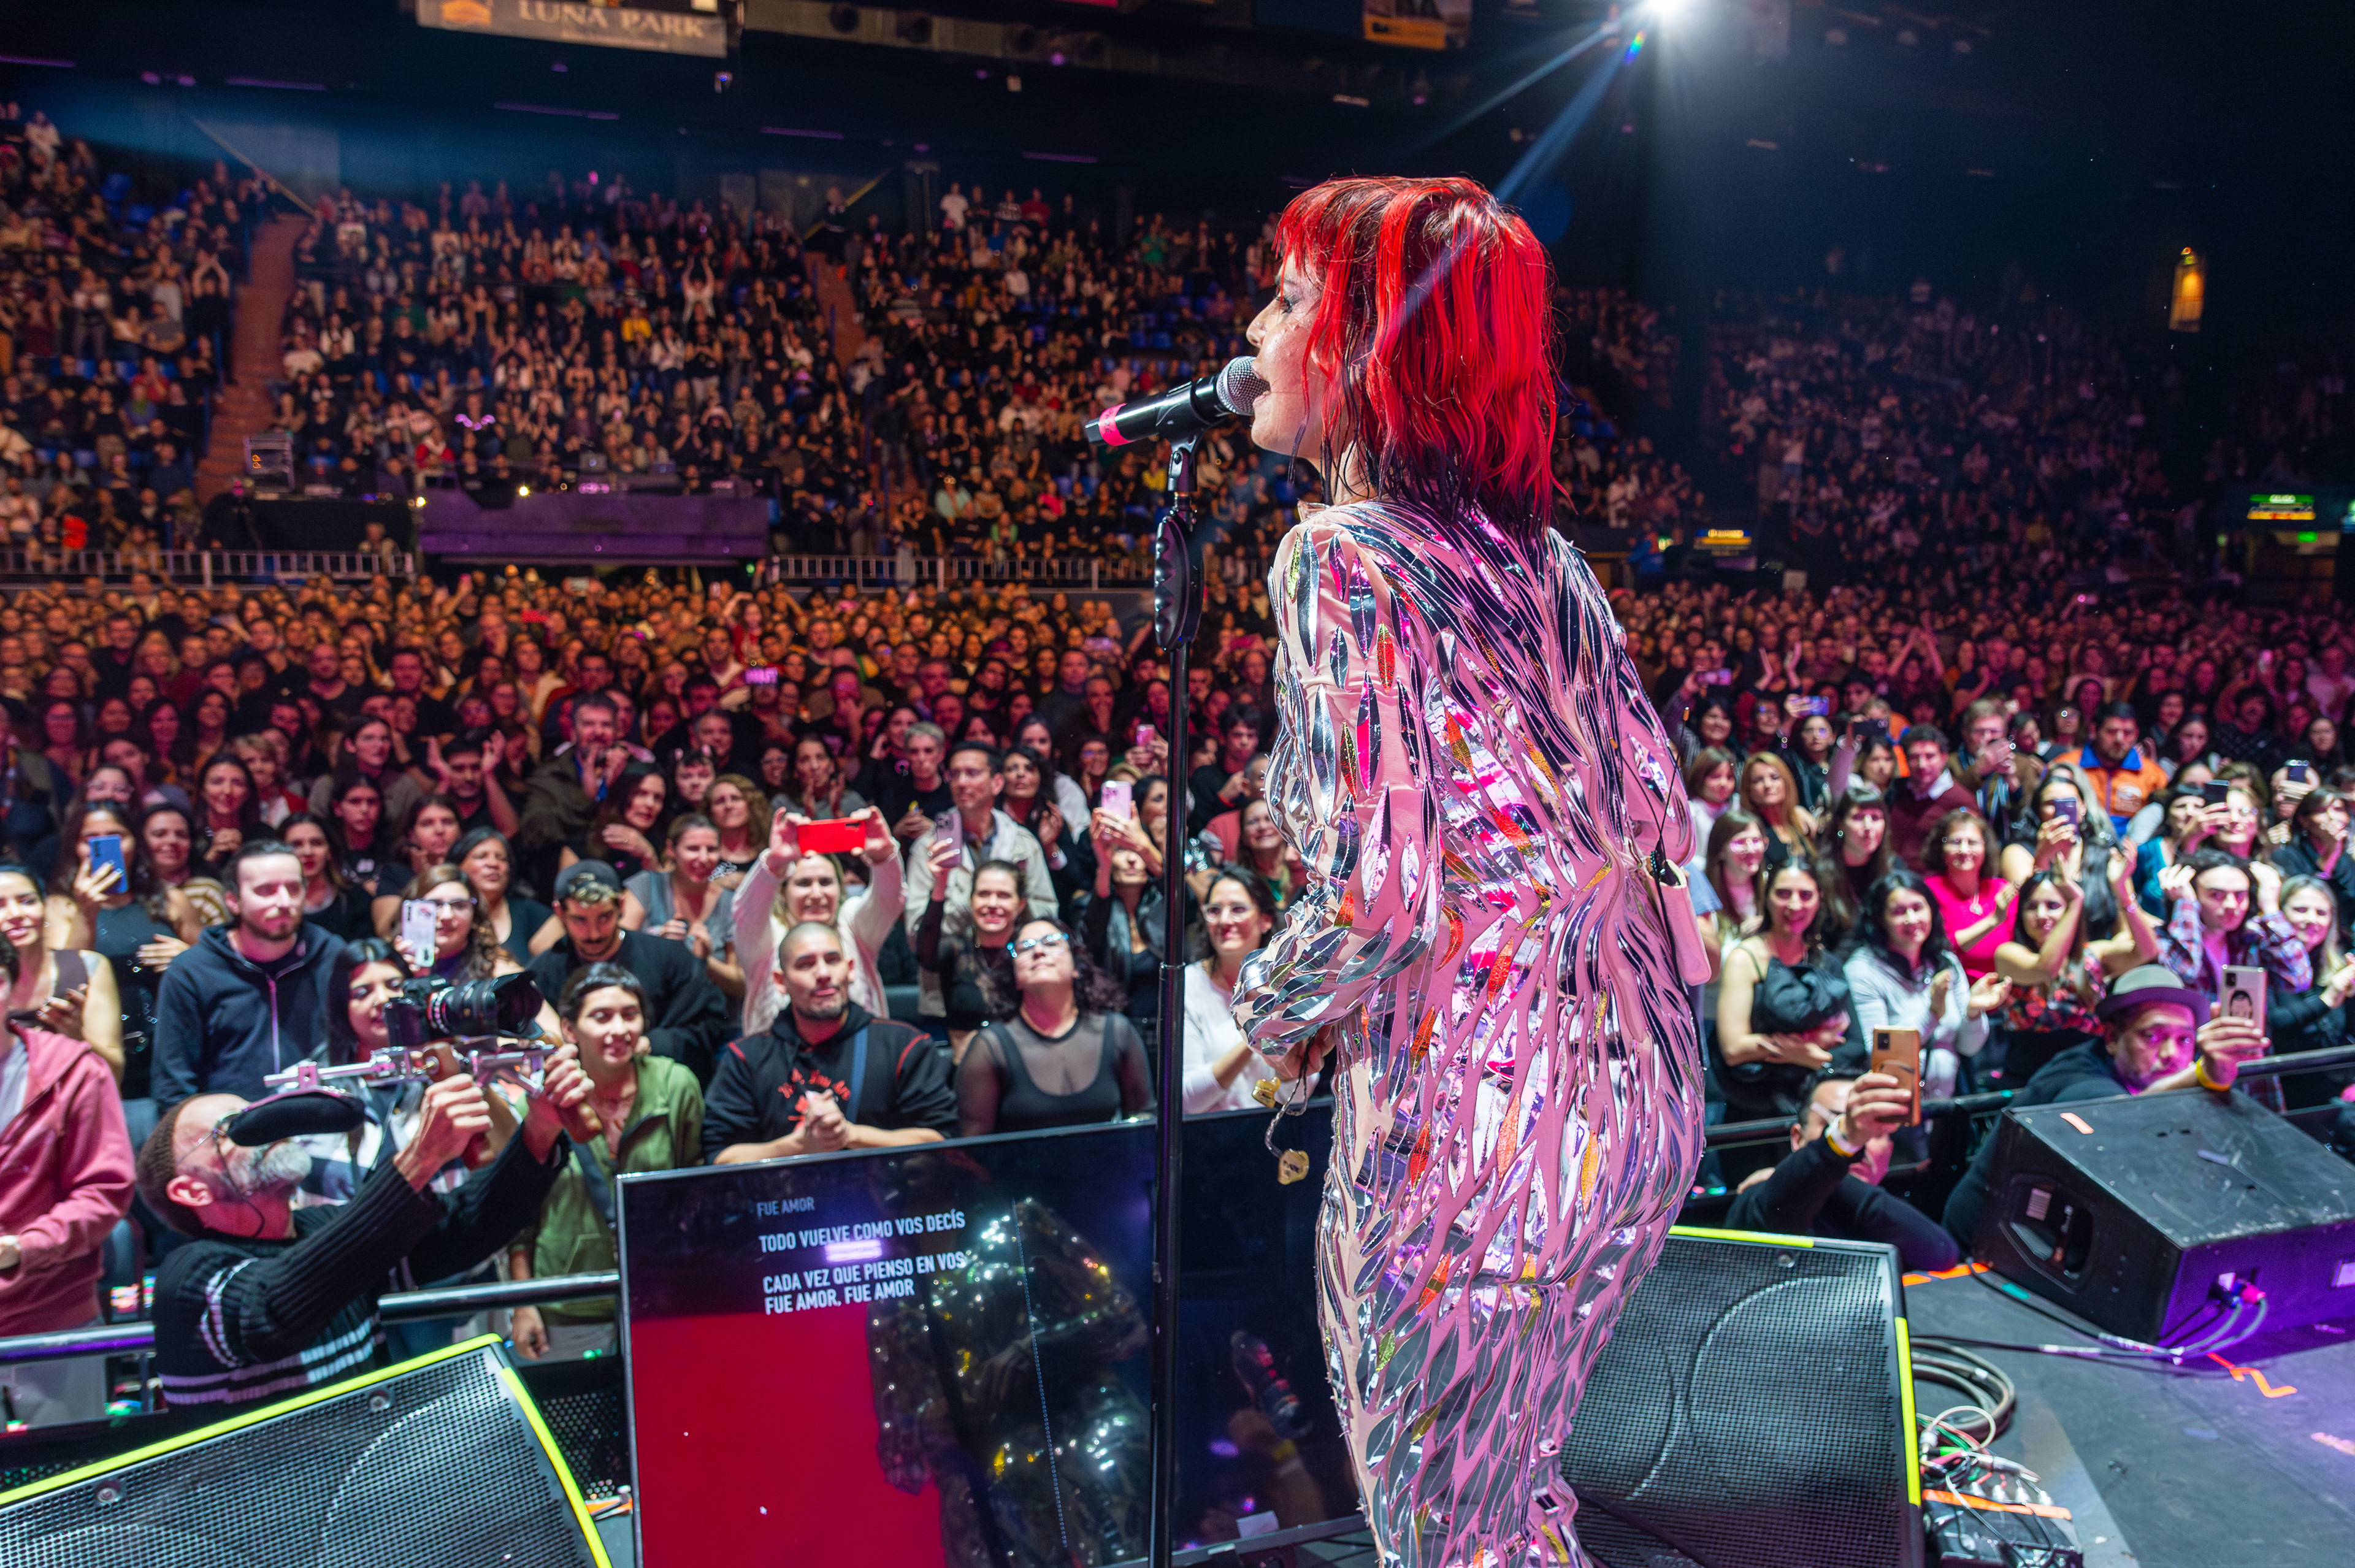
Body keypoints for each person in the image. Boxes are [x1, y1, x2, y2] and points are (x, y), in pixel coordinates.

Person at [1226, 177, 1703, 1568]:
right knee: (1512, 1501)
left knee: (1443, 1529)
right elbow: (1658, 819)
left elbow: (1378, 899)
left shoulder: (1340, 558)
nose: (1255, 332)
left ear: (1364, 344)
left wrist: (1255, 1016)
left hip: (1470, 1111)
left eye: (1289, 299)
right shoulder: (1547, 565)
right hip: (1627, 1097)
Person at [135, 1033, 595, 1407]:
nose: (268, 1128)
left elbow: (460, 1230)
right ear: (192, 1191)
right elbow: (273, 1310)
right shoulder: (188, 1276)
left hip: (366, 1486)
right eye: (230, 1130)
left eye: (256, 1114)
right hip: (265, 1495)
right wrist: (419, 1158)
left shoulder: (318, 1227)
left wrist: (539, 1130)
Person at [1942, 964, 2271, 1252]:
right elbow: (2121, 1118)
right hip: (1985, 1239)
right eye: (2152, 1036)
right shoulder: (2077, 1074)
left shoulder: (2161, 1079)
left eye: (2184, 1040)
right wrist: (2205, 1074)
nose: (2172, 1054)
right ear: (2112, 1037)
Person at [508, 964, 703, 1362]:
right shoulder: (543, 1103)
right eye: (601, 1017)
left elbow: (694, 1192)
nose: (619, 1029)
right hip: (566, 1301)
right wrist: (523, 1303)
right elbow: (518, 1217)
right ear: (569, 1029)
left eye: (630, 1014)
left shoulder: (675, 1085)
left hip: (657, 1295)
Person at [702, 922, 955, 1163]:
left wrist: (850, 1135)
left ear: (851, 969)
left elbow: (942, 1140)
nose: (823, 974)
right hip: (783, 1194)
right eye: (805, 965)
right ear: (781, 982)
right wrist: (799, 1145)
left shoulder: (904, 1046)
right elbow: (721, 1157)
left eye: (832, 960)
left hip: (884, 1191)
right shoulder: (747, 1058)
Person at [151, 840, 348, 1111]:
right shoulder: (193, 971)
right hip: (232, 1124)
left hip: (324, 1117)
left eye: (293, 889)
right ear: (233, 901)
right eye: (266, 891)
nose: (284, 902)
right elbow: (173, 1085)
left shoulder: (332, 956)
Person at [1725, 1068, 1957, 1272]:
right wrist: (1835, 1149)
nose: (1859, 1143)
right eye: (1834, 1125)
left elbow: (1941, 1252)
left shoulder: (1889, 1208)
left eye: (1872, 1130)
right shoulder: (1765, 1196)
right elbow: (1775, 1210)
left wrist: (1831, 1174)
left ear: (1890, 1149)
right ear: (1797, 1139)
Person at [523, 860, 729, 1084]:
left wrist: (653, 1044)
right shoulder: (543, 973)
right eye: (580, 920)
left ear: (621, 906)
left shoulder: (671, 958)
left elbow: (711, 1023)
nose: (594, 934)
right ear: (559, 912)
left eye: (604, 917)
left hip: (663, 1085)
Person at [959, 916, 1154, 1137]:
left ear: (1076, 968)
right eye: (1025, 948)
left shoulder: (1118, 1031)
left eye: (1051, 943)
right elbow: (972, 1146)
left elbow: (1144, 1119)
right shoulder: (990, 1048)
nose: (1038, 951)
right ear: (1015, 977)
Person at [1715, 860, 1867, 1124]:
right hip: (1754, 1108)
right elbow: (1734, 1048)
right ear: (1767, 897)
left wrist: (1811, 1057)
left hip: (1813, 1107)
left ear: (1819, 899)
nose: (1795, 905)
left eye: (1806, 895)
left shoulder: (1827, 962)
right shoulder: (1744, 958)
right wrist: (1811, 1047)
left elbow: (1855, 1045)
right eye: (1783, 894)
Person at [1989, 856, 2161, 1090]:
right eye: (2031, 907)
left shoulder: (2093, 955)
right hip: (2029, 1083)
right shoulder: (2008, 954)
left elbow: (2147, 951)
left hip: (2089, 1075)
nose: (2041, 915)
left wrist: (2122, 891)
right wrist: (2075, 900)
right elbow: (2045, 968)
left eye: (2053, 906)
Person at [1842, 869, 2006, 1106]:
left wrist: (1973, 1011)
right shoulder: (1863, 970)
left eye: (1918, 908)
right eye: (1899, 912)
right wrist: (1932, 1012)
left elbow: (1969, 1048)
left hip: (1943, 1106)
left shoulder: (1945, 962)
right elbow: (1877, 1054)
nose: (1912, 919)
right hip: (1891, 1105)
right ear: (1880, 919)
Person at [733, 807, 902, 1038]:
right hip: (778, 1055)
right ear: (783, 893)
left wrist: (883, 857)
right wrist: (774, 865)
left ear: (840, 889)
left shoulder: (851, 924)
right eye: (803, 883)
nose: (816, 894)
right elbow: (746, 913)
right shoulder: (768, 935)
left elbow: (888, 901)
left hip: (858, 1049)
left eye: (825, 882)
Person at [900, 741, 1057, 924]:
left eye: (972, 773)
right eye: (955, 775)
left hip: (1012, 941)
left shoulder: (1022, 843)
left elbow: (1047, 913)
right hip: (953, 944)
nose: (961, 782)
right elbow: (915, 928)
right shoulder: (929, 846)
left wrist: (1016, 894)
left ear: (997, 783)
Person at [1181, 871, 1279, 1114]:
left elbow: (1298, 1095)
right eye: (1214, 911)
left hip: (1275, 1127)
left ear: (1265, 920)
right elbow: (1187, 1101)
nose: (1225, 920)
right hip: (1211, 1131)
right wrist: (1255, 1035)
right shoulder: (1187, 984)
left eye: (1238, 909)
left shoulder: (1285, 983)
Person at [913, 849, 1024, 1063]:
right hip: (965, 1070)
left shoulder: (1029, 955)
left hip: (1019, 1069)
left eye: (1003, 895)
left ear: (1021, 904)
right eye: (983, 894)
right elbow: (925, 954)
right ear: (971, 901)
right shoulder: (956, 951)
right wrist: (940, 887)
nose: (992, 904)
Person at [623, 814, 742, 999]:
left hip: (708, 1008)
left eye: (711, 849)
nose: (704, 858)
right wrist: (657, 947)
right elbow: (618, 953)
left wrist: (704, 961)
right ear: (671, 850)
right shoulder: (646, 885)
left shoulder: (731, 903)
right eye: (693, 849)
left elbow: (740, 985)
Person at [1920, 808, 2013, 983]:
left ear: (1986, 848)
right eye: (1956, 842)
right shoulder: (1929, 890)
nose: (1964, 850)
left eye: (1972, 843)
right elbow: (1941, 947)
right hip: (1954, 987)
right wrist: (1993, 920)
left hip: (2004, 987)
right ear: (1942, 849)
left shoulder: (2000, 888)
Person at [2058, 703, 2170, 833]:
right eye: (2111, 732)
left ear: (2136, 734)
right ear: (2094, 730)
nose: (2119, 739)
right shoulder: (2067, 766)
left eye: (2128, 733)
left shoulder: (2154, 774)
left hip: (2133, 843)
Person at [1886, 725, 1981, 868]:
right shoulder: (1896, 791)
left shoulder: (1961, 800)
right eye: (1914, 757)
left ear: (1944, 758)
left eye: (1930, 757)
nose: (1922, 764)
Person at [279, 811, 374, 941]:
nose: (308, 852)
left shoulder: (355, 898)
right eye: (296, 845)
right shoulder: (273, 902)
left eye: (316, 843)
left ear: (329, 851)